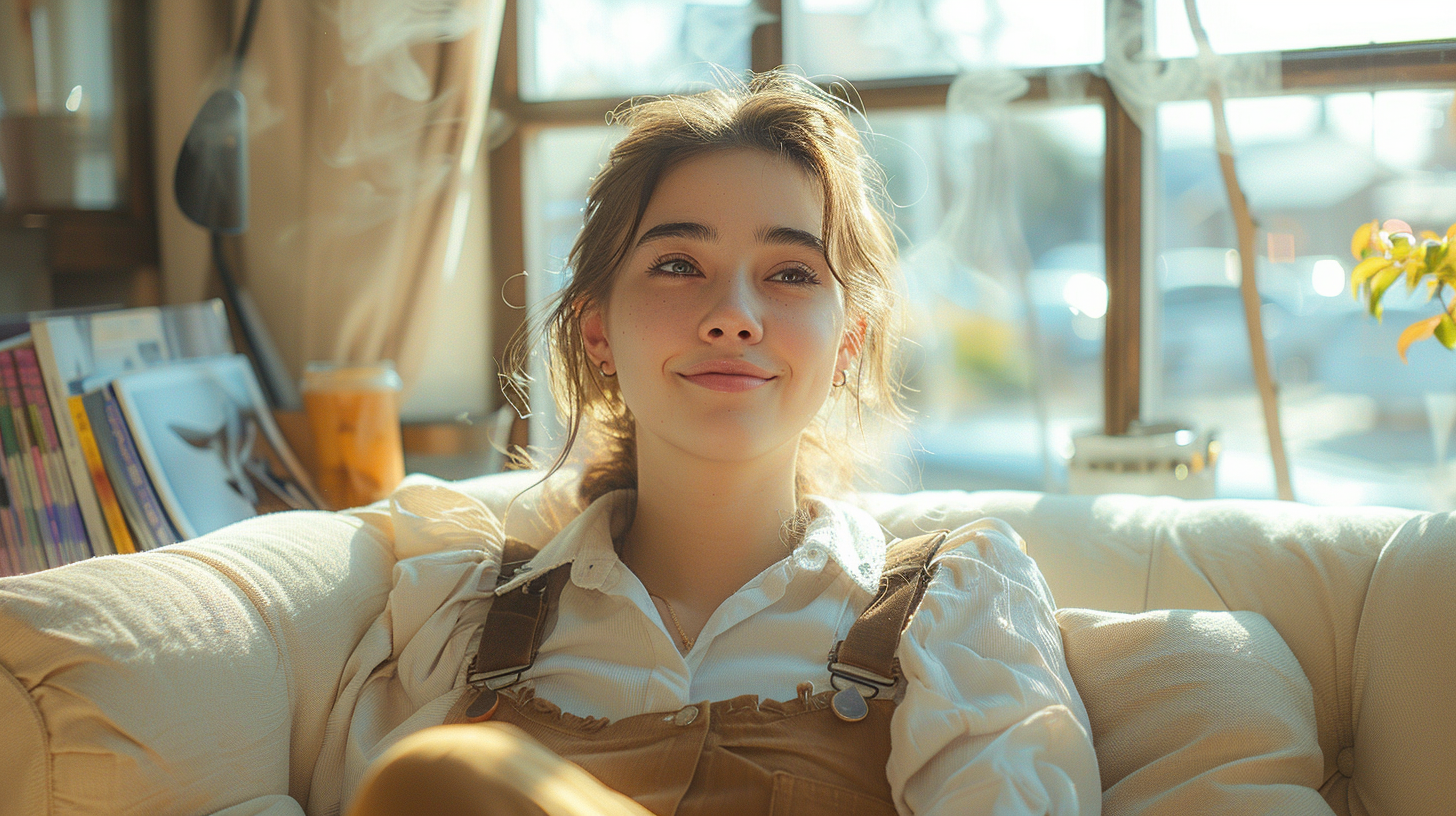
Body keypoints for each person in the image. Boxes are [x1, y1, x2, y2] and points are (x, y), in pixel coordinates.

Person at [342, 70, 1100, 815]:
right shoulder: (462, 623)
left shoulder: (955, 610)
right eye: (678, 265)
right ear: (597, 329)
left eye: (792, 273)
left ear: (846, 345)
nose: (733, 316)